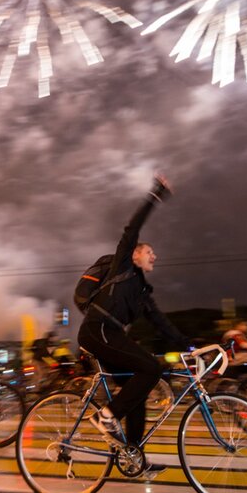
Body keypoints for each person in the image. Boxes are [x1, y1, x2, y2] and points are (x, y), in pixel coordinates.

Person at [78, 176, 189, 475]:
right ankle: (106, 416)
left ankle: (133, 456)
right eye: (150, 252)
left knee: (136, 392)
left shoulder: (142, 292)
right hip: (97, 329)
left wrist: (189, 347)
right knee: (150, 368)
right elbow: (132, 228)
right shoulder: (123, 266)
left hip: (109, 335)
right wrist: (157, 193)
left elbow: (160, 322)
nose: (155, 256)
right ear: (136, 254)